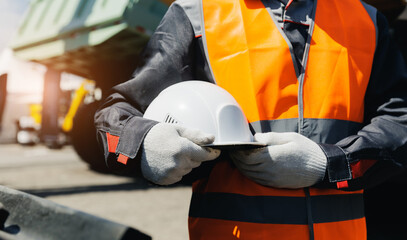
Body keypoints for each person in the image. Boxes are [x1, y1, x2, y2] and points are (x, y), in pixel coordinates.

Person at [94, 0, 407, 239]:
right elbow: (117, 112)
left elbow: (399, 121)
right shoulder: (197, 14)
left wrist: (327, 164)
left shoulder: (366, 20)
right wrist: (147, 142)